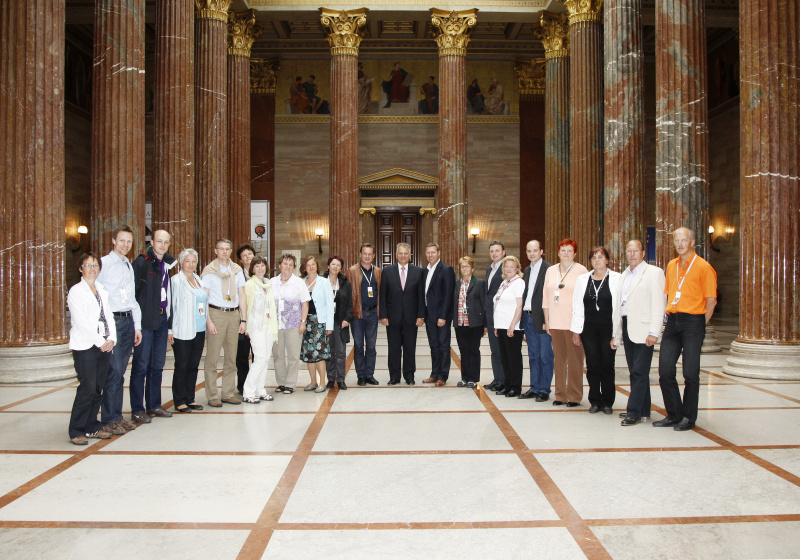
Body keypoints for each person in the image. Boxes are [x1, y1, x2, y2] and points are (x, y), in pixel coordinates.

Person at [655, 227, 717, 431]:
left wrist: (700, 324)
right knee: (665, 370)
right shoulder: (671, 265)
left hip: (693, 322)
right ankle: (674, 414)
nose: (680, 244)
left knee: (690, 373)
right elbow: (669, 294)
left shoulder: (703, 267)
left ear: (692, 242)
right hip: (673, 321)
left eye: (684, 240)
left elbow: (711, 301)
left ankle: (688, 417)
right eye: (677, 241)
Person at [612, 240, 666, 426]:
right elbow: (620, 306)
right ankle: (644, 409)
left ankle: (632, 411)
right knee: (635, 371)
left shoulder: (654, 273)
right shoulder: (623, 275)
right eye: (629, 251)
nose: (632, 254)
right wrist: (617, 333)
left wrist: (654, 331)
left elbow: (659, 304)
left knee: (639, 371)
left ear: (643, 253)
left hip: (644, 330)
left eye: (636, 251)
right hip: (628, 326)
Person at [67, 253, 116, 444]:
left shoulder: (101, 290)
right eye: (88, 265)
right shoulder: (76, 291)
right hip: (86, 345)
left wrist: (111, 338)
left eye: (95, 265)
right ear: (81, 268)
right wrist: (100, 341)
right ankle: (76, 430)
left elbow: (108, 316)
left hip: (104, 345)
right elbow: (80, 322)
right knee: (87, 388)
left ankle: (91, 426)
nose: (92, 269)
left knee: (98, 388)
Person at [96, 225, 141, 435]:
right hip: (111, 322)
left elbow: (131, 299)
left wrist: (137, 326)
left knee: (120, 372)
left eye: (129, 242)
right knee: (113, 372)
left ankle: (116, 416)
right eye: (122, 240)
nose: (125, 245)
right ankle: (109, 418)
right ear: (113, 241)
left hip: (127, 321)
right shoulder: (103, 264)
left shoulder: (128, 266)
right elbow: (95, 294)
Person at [130, 229, 177, 423]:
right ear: (151, 241)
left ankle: (154, 405)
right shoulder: (141, 262)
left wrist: (170, 324)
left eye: (166, 242)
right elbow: (133, 294)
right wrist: (135, 324)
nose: (162, 245)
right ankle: (137, 409)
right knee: (141, 365)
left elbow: (168, 295)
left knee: (157, 365)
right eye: (159, 241)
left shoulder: (167, 264)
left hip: (161, 320)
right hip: (145, 320)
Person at [571, 247, 621, 415]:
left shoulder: (617, 279)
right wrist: (576, 331)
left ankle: (607, 401)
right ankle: (595, 400)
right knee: (592, 365)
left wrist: (617, 334)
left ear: (607, 259)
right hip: (588, 328)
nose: (597, 260)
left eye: (601, 257)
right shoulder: (583, 279)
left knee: (607, 364)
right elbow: (577, 306)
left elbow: (620, 307)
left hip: (609, 328)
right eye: (594, 258)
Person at [201, 238, 247, 407]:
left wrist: (243, 319)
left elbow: (242, 295)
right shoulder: (209, 272)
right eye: (221, 249)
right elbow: (203, 298)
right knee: (212, 358)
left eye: (228, 249)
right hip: (216, 313)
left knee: (231, 357)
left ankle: (227, 393)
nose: (225, 252)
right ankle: (212, 395)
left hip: (233, 315)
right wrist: (209, 321)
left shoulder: (236, 270)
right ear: (215, 251)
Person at [542, 239, 588, 407]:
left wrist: (580, 323)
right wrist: (547, 321)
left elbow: (584, 299)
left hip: (573, 322)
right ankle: (560, 395)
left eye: (570, 250)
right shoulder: (550, 270)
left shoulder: (581, 270)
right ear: (558, 252)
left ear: (575, 253)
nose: (566, 253)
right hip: (555, 322)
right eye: (563, 250)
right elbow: (545, 297)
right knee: (559, 360)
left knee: (575, 361)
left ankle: (575, 396)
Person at [379, 243, 425, 385]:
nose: (403, 256)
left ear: (410, 255)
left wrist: (421, 315)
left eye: (406, 253)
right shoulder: (387, 271)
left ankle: (409, 375)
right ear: (396, 255)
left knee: (410, 347)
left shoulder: (418, 271)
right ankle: (394, 376)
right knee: (393, 348)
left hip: (411, 317)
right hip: (392, 317)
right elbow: (383, 295)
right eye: (400, 253)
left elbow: (421, 296)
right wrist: (383, 315)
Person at [168, 248, 207, 413]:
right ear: (181, 263)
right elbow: (171, 306)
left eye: (193, 261)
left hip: (199, 329)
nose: (191, 264)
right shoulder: (176, 281)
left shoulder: (198, 279)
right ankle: (179, 400)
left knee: (193, 365)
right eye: (187, 261)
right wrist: (170, 330)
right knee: (182, 365)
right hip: (182, 329)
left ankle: (190, 398)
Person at [519, 240, 553, 401]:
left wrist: (549, 319)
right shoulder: (527, 269)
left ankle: (544, 390)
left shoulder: (549, 269)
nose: (532, 253)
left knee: (545, 355)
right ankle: (534, 387)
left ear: (541, 251)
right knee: (533, 355)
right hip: (528, 316)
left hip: (541, 318)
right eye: (529, 251)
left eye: (535, 250)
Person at [271, 253, 310, 394]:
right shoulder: (271, 282)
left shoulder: (299, 283)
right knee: (278, 355)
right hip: (276, 326)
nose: (287, 267)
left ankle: (290, 384)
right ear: (280, 265)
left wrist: (303, 322)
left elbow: (305, 304)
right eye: (285, 264)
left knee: (293, 356)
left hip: (293, 325)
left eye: (291, 264)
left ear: (293, 267)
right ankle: (281, 383)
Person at [242, 256, 277, 404]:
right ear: (252, 269)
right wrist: (246, 325)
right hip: (256, 326)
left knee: (265, 359)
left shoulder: (267, 284)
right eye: (257, 266)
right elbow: (245, 305)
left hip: (269, 325)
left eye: (262, 266)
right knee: (260, 358)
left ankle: (260, 390)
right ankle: (248, 392)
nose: (260, 269)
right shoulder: (250, 284)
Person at [346, 244, 382, 386]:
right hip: (357, 314)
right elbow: (347, 295)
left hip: (373, 313)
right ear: (360, 254)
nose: (367, 256)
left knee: (371, 346)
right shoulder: (352, 271)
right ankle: (361, 375)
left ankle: (369, 375)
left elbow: (381, 293)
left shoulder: (378, 271)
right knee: (359, 345)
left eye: (370, 254)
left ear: (373, 256)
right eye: (365, 253)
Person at [422, 243, 455, 386]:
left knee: (443, 346)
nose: (430, 255)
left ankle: (443, 375)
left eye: (433, 252)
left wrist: (443, 316)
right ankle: (434, 373)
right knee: (433, 345)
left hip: (442, 316)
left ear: (439, 253)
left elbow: (448, 295)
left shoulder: (446, 270)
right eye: (428, 252)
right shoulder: (424, 271)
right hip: (429, 315)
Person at [300, 255, 334, 393]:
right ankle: (313, 381)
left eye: (313, 264)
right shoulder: (301, 282)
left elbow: (330, 305)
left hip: (320, 322)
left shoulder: (324, 282)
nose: (311, 267)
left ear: (317, 266)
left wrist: (329, 325)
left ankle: (322, 382)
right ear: (304, 268)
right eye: (308, 265)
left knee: (320, 354)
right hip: (305, 322)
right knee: (309, 354)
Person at [493, 256, 525, 397]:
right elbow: (498, 303)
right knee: (505, 357)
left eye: (512, 266)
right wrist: (497, 326)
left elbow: (519, 306)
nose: (509, 269)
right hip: (501, 325)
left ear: (517, 268)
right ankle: (507, 384)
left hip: (512, 327)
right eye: (506, 266)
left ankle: (515, 387)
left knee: (514, 358)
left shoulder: (518, 283)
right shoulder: (505, 282)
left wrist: (512, 325)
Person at [453, 256, 486, 388]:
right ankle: (465, 377)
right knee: (463, 350)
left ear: (472, 268)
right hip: (460, 322)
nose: (464, 268)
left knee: (473, 350)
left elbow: (484, 304)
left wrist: (485, 324)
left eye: (467, 266)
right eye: (462, 266)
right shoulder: (456, 284)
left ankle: (473, 378)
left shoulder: (479, 283)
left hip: (474, 323)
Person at [324, 256, 353, 390]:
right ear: (328, 266)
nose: (335, 267)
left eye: (338, 265)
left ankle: (340, 379)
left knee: (341, 352)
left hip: (341, 322)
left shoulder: (345, 283)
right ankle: (330, 378)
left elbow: (349, 304)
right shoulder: (322, 282)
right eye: (333, 264)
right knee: (329, 352)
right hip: (326, 322)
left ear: (341, 268)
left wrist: (347, 319)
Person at [483, 240, 507, 392]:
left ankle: (504, 380)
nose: (494, 253)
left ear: (503, 252)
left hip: (502, 317)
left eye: (497, 251)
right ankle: (497, 378)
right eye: (492, 251)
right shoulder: (489, 270)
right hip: (491, 316)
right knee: (494, 350)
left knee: (502, 350)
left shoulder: (507, 269)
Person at [236, 244, 255, 397]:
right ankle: (242, 385)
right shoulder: (237, 276)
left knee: (257, 355)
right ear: (240, 260)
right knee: (241, 355)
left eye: (250, 254)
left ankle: (254, 384)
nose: (248, 257)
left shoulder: (262, 275)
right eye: (244, 255)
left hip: (257, 323)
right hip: (241, 321)